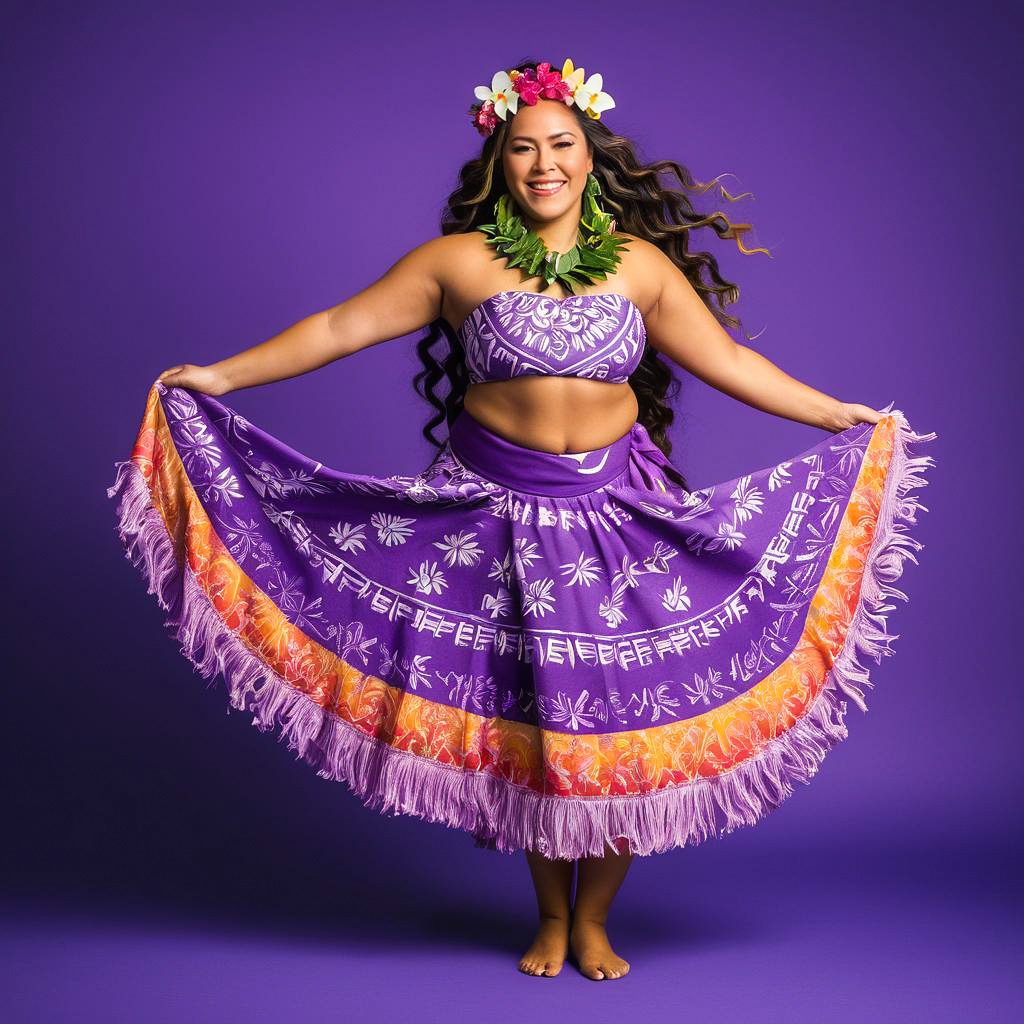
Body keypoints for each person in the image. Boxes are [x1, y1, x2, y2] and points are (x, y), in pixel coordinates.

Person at [107, 58, 936, 981]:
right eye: (524, 148)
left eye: (561, 146)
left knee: (617, 724)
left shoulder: (638, 267)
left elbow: (730, 358)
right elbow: (340, 325)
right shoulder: (456, 263)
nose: (543, 163)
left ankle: (596, 921)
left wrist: (835, 416)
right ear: (499, 161)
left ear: (592, 157)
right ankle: (549, 914)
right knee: (536, 728)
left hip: (620, 514)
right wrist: (220, 377)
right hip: (493, 518)